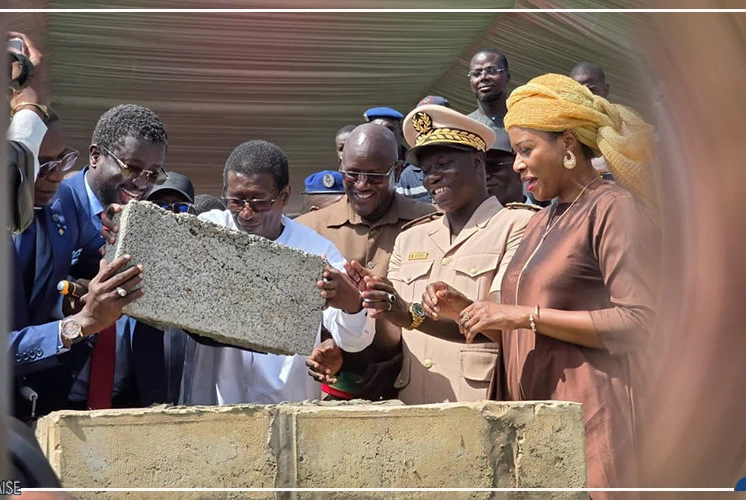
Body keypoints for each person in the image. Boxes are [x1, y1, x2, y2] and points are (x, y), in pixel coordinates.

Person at [427, 73, 656, 498]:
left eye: (526, 150)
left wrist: (521, 316)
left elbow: (639, 320)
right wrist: (467, 308)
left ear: (567, 144)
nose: (516, 165)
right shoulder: (542, 219)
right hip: (535, 425)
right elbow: (525, 331)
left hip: (591, 426)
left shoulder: (614, 210)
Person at [317, 105, 534, 405]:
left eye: (443, 164)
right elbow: (392, 335)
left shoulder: (519, 226)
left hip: (483, 407)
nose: (432, 177)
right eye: (427, 170)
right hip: (414, 410)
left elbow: (504, 325)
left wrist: (411, 315)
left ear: (477, 161)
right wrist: (362, 302)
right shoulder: (410, 238)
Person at [5, 34, 148, 420]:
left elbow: (93, 262)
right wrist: (78, 324)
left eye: (61, 160)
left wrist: (84, 289)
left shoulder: (58, 209)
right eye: (39, 163)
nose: (54, 176)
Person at [175, 140, 375, 405]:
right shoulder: (207, 232)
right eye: (236, 201)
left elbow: (353, 341)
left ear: (284, 196)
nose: (246, 213)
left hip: (285, 406)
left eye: (259, 202)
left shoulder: (315, 250)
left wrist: (351, 305)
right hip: (212, 404)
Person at [295, 124, 433, 400]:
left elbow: (435, 307)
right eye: (352, 173)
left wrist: (402, 363)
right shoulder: (307, 230)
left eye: (374, 175)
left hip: (412, 390)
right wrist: (330, 347)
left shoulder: (430, 224)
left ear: (396, 171)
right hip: (330, 392)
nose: (361, 184)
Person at [54, 104, 174, 411]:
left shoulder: (153, 222)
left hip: (129, 406)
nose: (142, 183)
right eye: (132, 168)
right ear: (95, 155)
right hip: (56, 401)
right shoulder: (53, 205)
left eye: (153, 173)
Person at [365, 106, 430, 204]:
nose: (383, 135)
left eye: (389, 129)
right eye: (376, 131)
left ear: (402, 134)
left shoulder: (420, 167)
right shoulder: (361, 174)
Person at [569, 62, 615, 179]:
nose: (585, 97)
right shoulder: (564, 129)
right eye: (578, 92)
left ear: (605, 90)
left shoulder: (622, 126)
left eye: (591, 91)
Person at [466, 48, 511, 129]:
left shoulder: (523, 121)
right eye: (476, 74)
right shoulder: (463, 127)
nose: (483, 77)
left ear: (507, 77)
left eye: (492, 71)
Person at [484, 125, 528, 206]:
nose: (485, 175)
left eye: (493, 166)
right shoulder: (468, 218)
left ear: (520, 167)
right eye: (479, 167)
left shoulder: (544, 217)